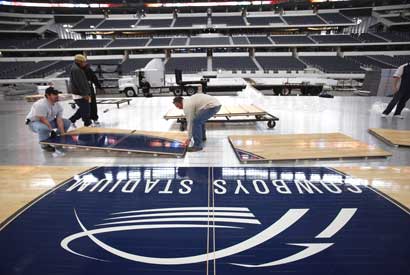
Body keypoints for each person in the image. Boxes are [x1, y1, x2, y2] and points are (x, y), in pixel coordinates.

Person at [173, 87, 221, 152]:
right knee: (199, 120)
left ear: (178, 103)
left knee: (196, 122)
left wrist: (189, 138)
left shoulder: (187, 105)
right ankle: (202, 138)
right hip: (215, 104)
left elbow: (190, 122)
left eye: (177, 106)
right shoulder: (189, 101)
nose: (178, 108)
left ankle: (197, 146)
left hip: (212, 106)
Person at [26, 87, 71, 152]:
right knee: (43, 128)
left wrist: (62, 134)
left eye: (57, 94)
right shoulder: (41, 105)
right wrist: (51, 130)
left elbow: (59, 120)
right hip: (35, 123)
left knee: (67, 122)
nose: (57, 96)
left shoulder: (57, 105)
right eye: (54, 94)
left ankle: (57, 139)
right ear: (48, 95)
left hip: (49, 121)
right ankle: (45, 145)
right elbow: (42, 119)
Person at [69, 54, 92, 127]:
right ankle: (87, 124)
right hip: (80, 95)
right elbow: (80, 83)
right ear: (79, 61)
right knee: (86, 110)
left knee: (83, 109)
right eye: (83, 62)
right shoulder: (76, 70)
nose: (85, 63)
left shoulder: (77, 68)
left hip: (80, 94)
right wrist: (85, 94)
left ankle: (71, 120)